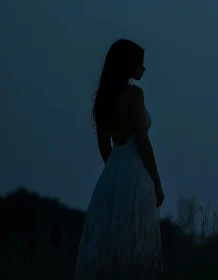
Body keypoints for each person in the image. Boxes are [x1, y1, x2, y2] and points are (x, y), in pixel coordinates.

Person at [74, 39, 165, 279]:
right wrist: (157, 183)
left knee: (111, 243)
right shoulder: (134, 94)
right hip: (136, 174)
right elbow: (143, 143)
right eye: (141, 63)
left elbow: (104, 144)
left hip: (112, 175)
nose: (144, 69)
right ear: (129, 65)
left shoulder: (105, 98)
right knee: (137, 243)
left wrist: (115, 171)